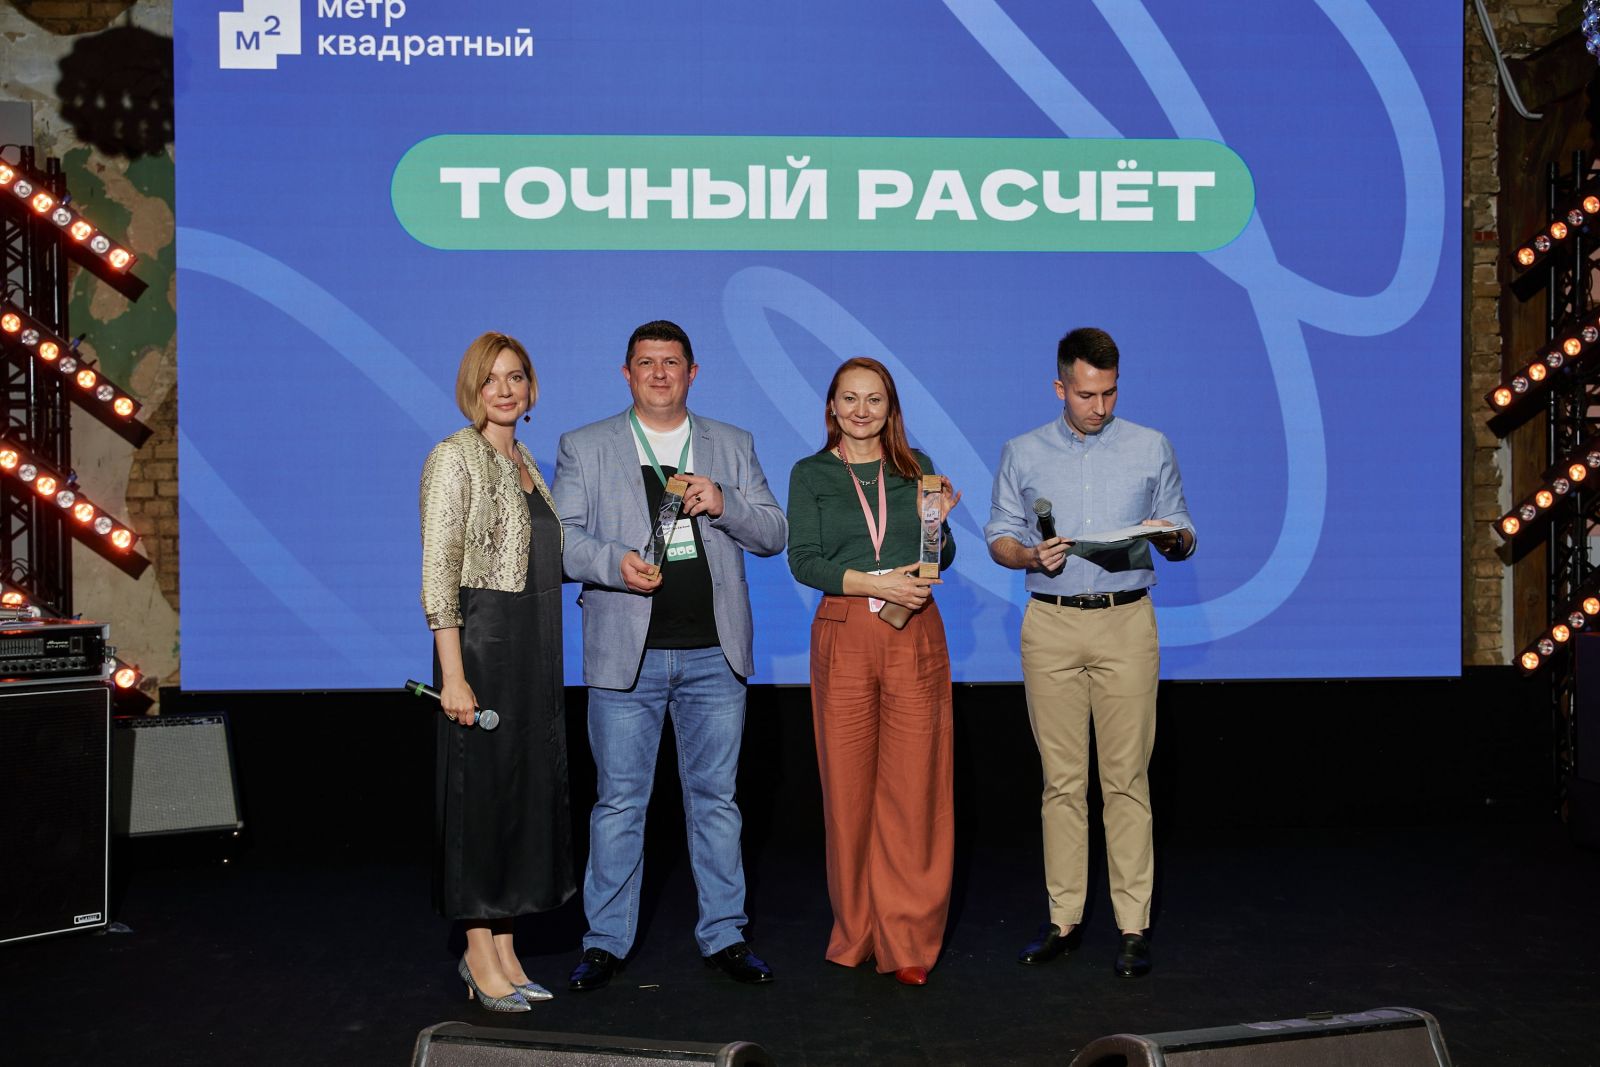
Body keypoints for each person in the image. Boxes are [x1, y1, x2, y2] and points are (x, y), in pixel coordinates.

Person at [552, 319, 787, 991]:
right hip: (626, 656)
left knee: (716, 801)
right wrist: (614, 562)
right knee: (619, 804)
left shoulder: (732, 444)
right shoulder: (584, 445)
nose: (659, 373)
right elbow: (561, 540)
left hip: (715, 654)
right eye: (646, 362)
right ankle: (605, 942)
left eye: (672, 362)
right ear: (626, 373)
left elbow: (774, 533)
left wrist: (726, 502)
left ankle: (725, 934)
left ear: (692, 373)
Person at [984, 327, 1195, 979]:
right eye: (1085, 395)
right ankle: (1064, 919)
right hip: (1050, 623)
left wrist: (1172, 539)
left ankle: (1133, 926)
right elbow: (999, 536)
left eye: (1108, 393)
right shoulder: (1022, 451)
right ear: (1060, 388)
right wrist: (1028, 553)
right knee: (1062, 781)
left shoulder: (1151, 445)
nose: (1098, 407)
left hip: (1126, 621)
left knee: (1126, 779)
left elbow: (1183, 529)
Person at [785, 357, 960, 987]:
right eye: (850, 398)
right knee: (848, 789)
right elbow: (803, 561)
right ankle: (857, 929)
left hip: (914, 629)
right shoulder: (810, 474)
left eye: (875, 400)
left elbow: (940, 558)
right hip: (845, 632)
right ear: (832, 406)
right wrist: (874, 583)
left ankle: (907, 936)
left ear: (891, 409)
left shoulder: (917, 469)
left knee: (914, 789)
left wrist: (940, 526)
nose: (862, 411)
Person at [419, 331, 575, 1012]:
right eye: (491, 379)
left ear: (531, 387)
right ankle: (477, 950)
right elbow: (438, 576)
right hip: (482, 647)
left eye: (516, 377)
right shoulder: (454, 456)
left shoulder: (527, 462)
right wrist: (453, 676)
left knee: (522, 798)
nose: (505, 390)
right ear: (472, 389)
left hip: (535, 648)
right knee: (481, 801)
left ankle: (508, 947)